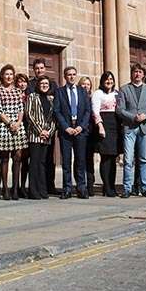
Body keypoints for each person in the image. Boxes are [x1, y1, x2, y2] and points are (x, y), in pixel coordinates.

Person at [116, 63, 146, 198]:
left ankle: (145, 187)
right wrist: (133, 117)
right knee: (128, 160)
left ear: (143, 74)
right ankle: (127, 188)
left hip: (145, 128)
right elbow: (120, 109)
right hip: (130, 128)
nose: (137, 74)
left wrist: (145, 116)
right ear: (132, 73)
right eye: (135, 72)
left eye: (140, 72)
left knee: (143, 159)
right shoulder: (124, 89)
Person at [54, 66, 92, 199]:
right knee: (66, 161)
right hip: (66, 131)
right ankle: (67, 188)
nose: (71, 76)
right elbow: (57, 111)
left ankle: (81, 188)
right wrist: (65, 127)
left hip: (80, 130)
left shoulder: (82, 91)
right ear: (65, 76)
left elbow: (88, 110)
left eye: (73, 74)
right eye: (69, 74)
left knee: (81, 161)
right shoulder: (59, 92)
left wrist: (81, 126)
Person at [0, 64, 28, 200]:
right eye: (6, 74)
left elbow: (21, 108)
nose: (9, 77)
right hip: (4, 125)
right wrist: (10, 123)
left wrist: (18, 123)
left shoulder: (18, 91)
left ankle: (15, 189)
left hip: (17, 126)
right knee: (5, 157)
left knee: (18, 156)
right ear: (2, 76)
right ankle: (5, 189)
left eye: (11, 74)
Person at [25, 75, 56, 200]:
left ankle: (43, 190)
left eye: (46, 84)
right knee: (34, 163)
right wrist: (40, 131)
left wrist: (49, 132)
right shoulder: (32, 97)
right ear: (38, 85)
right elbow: (29, 115)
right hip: (35, 136)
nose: (44, 85)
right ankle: (33, 191)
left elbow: (54, 117)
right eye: (42, 83)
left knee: (43, 163)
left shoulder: (51, 99)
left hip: (46, 136)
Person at [91, 72, 120, 196]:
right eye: (107, 79)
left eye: (111, 79)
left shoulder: (117, 94)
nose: (109, 81)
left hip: (115, 125)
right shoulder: (98, 93)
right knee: (105, 157)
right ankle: (106, 187)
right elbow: (95, 111)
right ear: (102, 81)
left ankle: (112, 186)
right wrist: (100, 126)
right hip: (104, 125)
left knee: (113, 158)